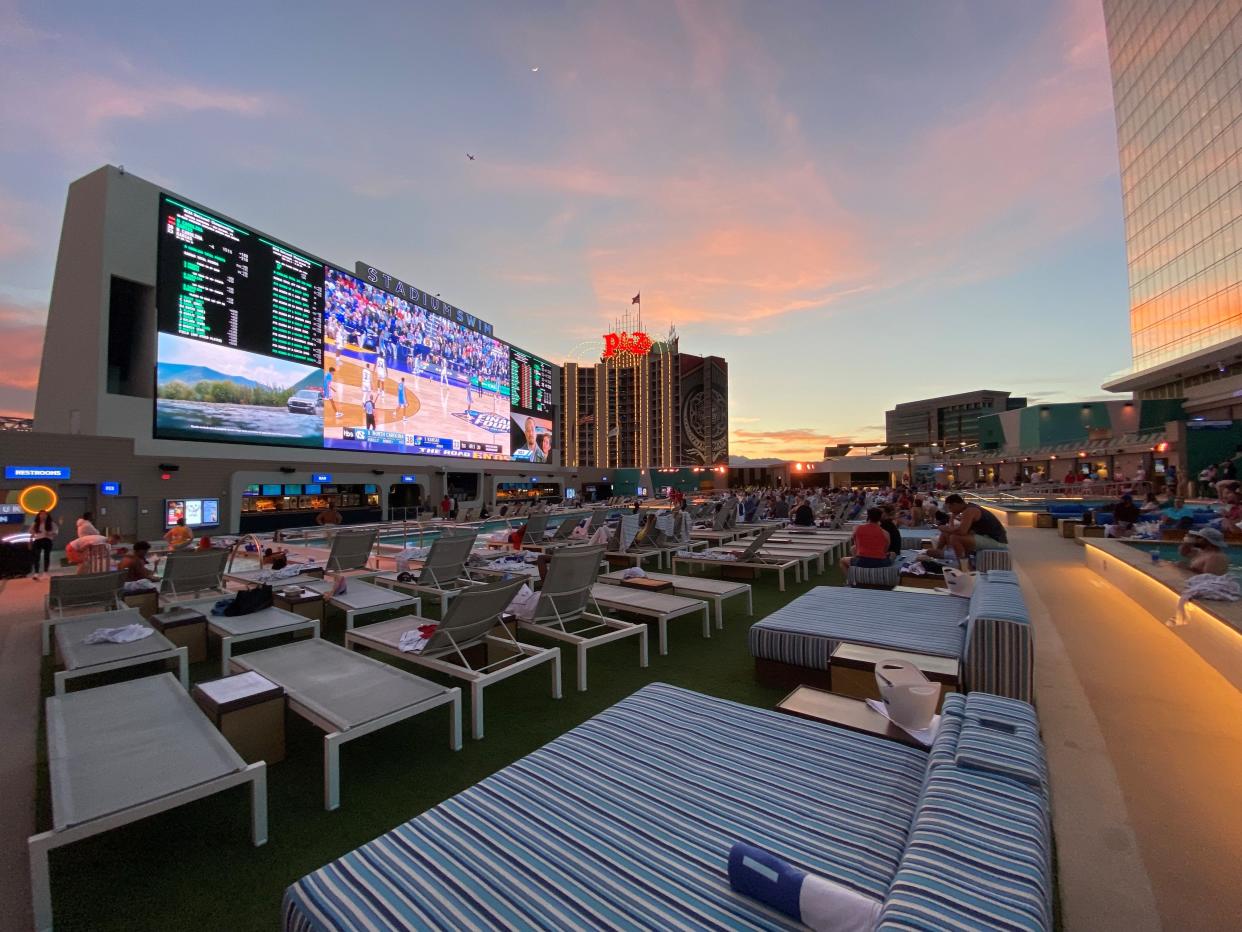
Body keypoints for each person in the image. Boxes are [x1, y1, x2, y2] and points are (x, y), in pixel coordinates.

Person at [928, 493, 1008, 562]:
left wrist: (944, 528)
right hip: (986, 537)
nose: (950, 510)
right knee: (947, 533)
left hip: (997, 541)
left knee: (955, 538)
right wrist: (952, 518)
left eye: (950, 508)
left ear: (955, 504)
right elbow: (958, 530)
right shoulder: (967, 508)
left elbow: (962, 531)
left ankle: (965, 567)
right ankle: (939, 552)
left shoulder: (969, 510)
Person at [840, 507, 893, 572]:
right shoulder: (885, 533)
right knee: (892, 555)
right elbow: (885, 550)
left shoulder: (857, 528)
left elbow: (855, 544)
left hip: (862, 561)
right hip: (880, 562)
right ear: (880, 518)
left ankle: (849, 580)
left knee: (843, 560)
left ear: (868, 517)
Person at [28, 510, 57, 578]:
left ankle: (45, 571)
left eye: (45, 514)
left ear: (47, 516)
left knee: (47, 556)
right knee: (36, 556)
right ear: (38, 516)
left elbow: (56, 532)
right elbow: (30, 532)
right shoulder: (35, 523)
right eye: (41, 514)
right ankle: (36, 572)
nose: (43, 516)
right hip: (38, 540)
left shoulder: (51, 523)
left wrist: (50, 533)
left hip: (47, 540)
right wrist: (31, 538)